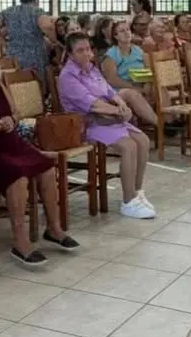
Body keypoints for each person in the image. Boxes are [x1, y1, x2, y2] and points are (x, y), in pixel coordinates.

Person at [0, 35, 78, 266]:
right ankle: (20, 241)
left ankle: (54, 228)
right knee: (16, 175)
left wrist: (12, 120)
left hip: (9, 142)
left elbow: (16, 113)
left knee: (46, 167)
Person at [58, 33, 154, 219]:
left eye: (88, 49)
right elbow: (92, 104)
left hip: (108, 118)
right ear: (70, 54)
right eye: (80, 50)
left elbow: (109, 91)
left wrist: (122, 104)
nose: (86, 54)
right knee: (128, 146)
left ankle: (137, 193)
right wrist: (119, 112)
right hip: (87, 123)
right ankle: (128, 201)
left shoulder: (92, 69)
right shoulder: (67, 76)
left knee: (143, 140)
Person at [101, 21, 158, 126]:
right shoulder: (111, 54)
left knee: (159, 88)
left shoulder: (138, 50)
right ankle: (160, 124)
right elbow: (112, 79)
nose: (126, 33)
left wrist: (148, 84)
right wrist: (134, 87)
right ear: (116, 36)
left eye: (128, 30)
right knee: (132, 94)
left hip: (141, 84)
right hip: (121, 89)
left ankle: (170, 122)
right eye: (122, 31)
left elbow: (149, 69)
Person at [0, 0, 56, 83]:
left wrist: (4, 43)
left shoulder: (9, 11)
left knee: (16, 83)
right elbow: (48, 27)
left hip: (13, 55)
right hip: (34, 55)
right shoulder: (36, 11)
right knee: (36, 84)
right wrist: (54, 41)